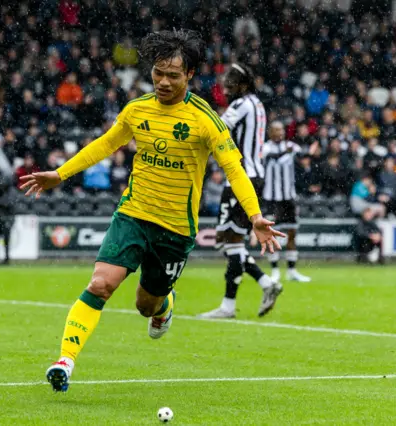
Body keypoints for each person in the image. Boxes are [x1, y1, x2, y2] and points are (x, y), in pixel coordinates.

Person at [20, 30, 284, 393]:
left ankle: (164, 306)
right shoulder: (137, 109)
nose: (162, 81)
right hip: (133, 214)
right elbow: (105, 144)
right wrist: (61, 173)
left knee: (147, 305)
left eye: (172, 75)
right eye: (158, 73)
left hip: (175, 230)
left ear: (189, 75)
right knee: (100, 284)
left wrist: (254, 215)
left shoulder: (206, 119)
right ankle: (65, 361)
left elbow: (234, 168)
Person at [199, 63, 282, 320]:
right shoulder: (257, 104)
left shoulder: (240, 105)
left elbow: (216, 130)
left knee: (230, 242)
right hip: (253, 176)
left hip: (241, 178)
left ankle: (229, 306)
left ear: (243, 85)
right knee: (229, 242)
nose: (226, 89)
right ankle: (265, 284)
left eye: (230, 84)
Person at [261, 121, 311, 282]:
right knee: (270, 235)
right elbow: (270, 157)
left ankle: (291, 271)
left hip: (288, 197)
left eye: (281, 129)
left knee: (292, 234)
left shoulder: (291, 146)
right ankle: (275, 271)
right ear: (270, 133)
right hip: (271, 198)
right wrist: (285, 152)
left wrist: (310, 153)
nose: (279, 133)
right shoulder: (265, 147)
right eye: (276, 130)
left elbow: (303, 155)